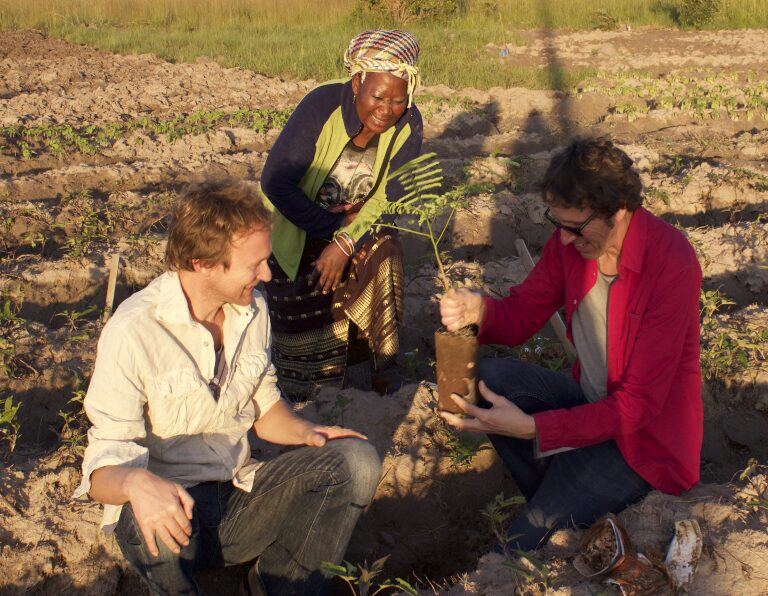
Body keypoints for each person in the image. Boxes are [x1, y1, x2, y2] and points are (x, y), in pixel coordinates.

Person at [74, 178, 382, 595]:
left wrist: (308, 432)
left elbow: (265, 406)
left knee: (356, 461)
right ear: (202, 263)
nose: (267, 274)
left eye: (266, 260)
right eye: (254, 265)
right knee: (147, 515)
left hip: (240, 495)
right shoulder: (133, 333)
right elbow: (101, 469)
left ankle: (278, 584)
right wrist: (135, 484)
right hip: (174, 522)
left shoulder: (250, 308)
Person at [439, 137, 703, 551]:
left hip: (644, 444)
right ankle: (564, 498)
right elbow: (521, 316)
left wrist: (534, 429)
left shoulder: (670, 260)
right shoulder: (570, 244)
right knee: (491, 381)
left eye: (574, 228)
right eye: (556, 223)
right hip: (591, 407)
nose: (562, 240)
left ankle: (555, 517)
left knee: (520, 546)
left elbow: (639, 406)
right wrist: (479, 312)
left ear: (617, 212)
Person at [259, 29, 423, 398]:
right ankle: (315, 384)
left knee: (386, 249)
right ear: (356, 83)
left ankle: (382, 365)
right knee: (303, 314)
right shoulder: (321, 106)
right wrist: (330, 226)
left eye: (398, 100)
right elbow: (276, 182)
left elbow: (389, 198)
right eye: (378, 96)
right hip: (295, 225)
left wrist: (345, 241)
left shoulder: (409, 122)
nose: (386, 109)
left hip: (355, 227)